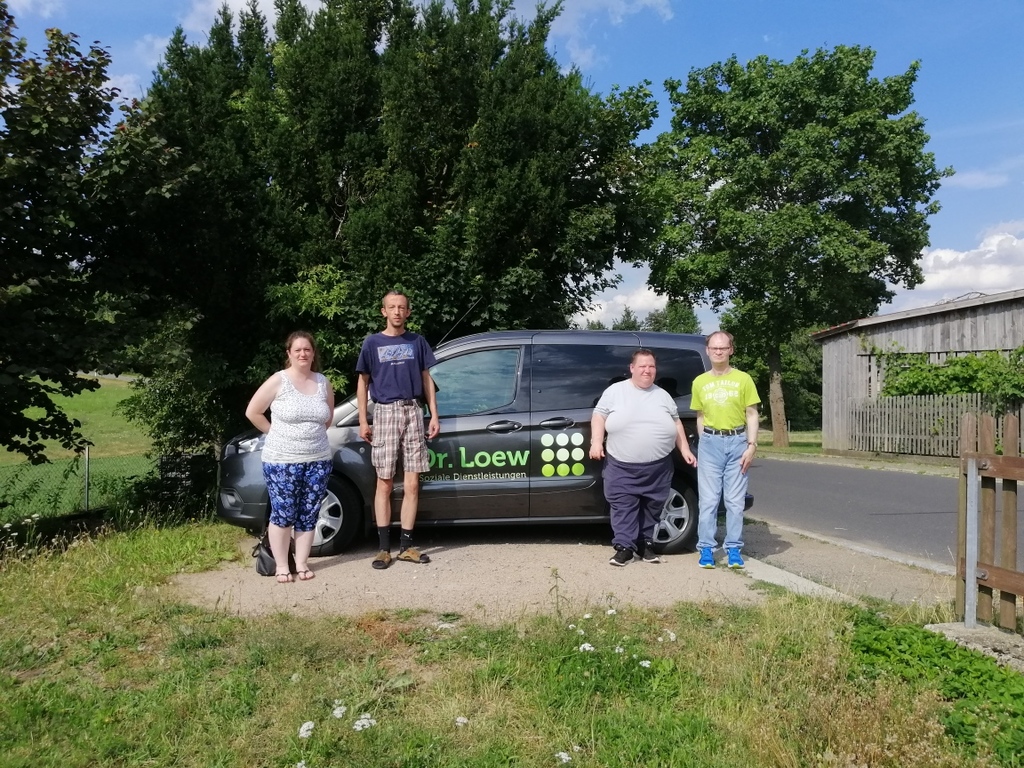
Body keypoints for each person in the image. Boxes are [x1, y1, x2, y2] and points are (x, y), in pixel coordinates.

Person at [590, 349, 697, 566]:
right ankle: (624, 548)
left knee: (653, 506)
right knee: (623, 507)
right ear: (632, 368)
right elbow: (599, 416)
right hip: (621, 465)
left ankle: (645, 544)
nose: (647, 370)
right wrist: (596, 442)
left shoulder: (663, 395)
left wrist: (685, 449)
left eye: (651, 366)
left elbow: (676, 422)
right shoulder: (615, 391)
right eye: (642, 366)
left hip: (658, 466)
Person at [356, 290, 440, 569]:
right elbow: (362, 383)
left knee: (413, 484)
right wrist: (363, 420)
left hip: (413, 411)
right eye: (392, 307)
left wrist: (433, 415)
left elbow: (427, 379)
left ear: (408, 312)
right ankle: (383, 549)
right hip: (385, 412)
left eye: (401, 307)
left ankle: (406, 546)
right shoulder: (372, 343)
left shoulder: (417, 341)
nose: (397, 312)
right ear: (384, 311)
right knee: (385, 481)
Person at [245, 331, 335, 583]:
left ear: (313, 353)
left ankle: (303, 563)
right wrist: (274, 433)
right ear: (289, 353)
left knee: (309, 512)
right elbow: (253, 412)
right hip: (282, 460)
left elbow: (327, 418)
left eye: (307, 349)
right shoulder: (279, 380)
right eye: (298, 350)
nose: (303, 354)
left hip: (318, 459)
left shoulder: (323, 382)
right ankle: (282, 565)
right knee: (283, 513)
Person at [691, 330, 761, 569]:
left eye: (723, 348)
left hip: (738, 442)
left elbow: (751, 413)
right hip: (710, 443)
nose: (718, 352)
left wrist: (751, 445)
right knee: (709, 501)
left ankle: (733, 549)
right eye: (714, 348)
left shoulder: (744, 379)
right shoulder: (700, 382)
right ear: (707, 350)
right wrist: (704, 441)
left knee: (734, 501)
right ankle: (706, 548)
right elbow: (700, 415)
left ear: (731, 350)